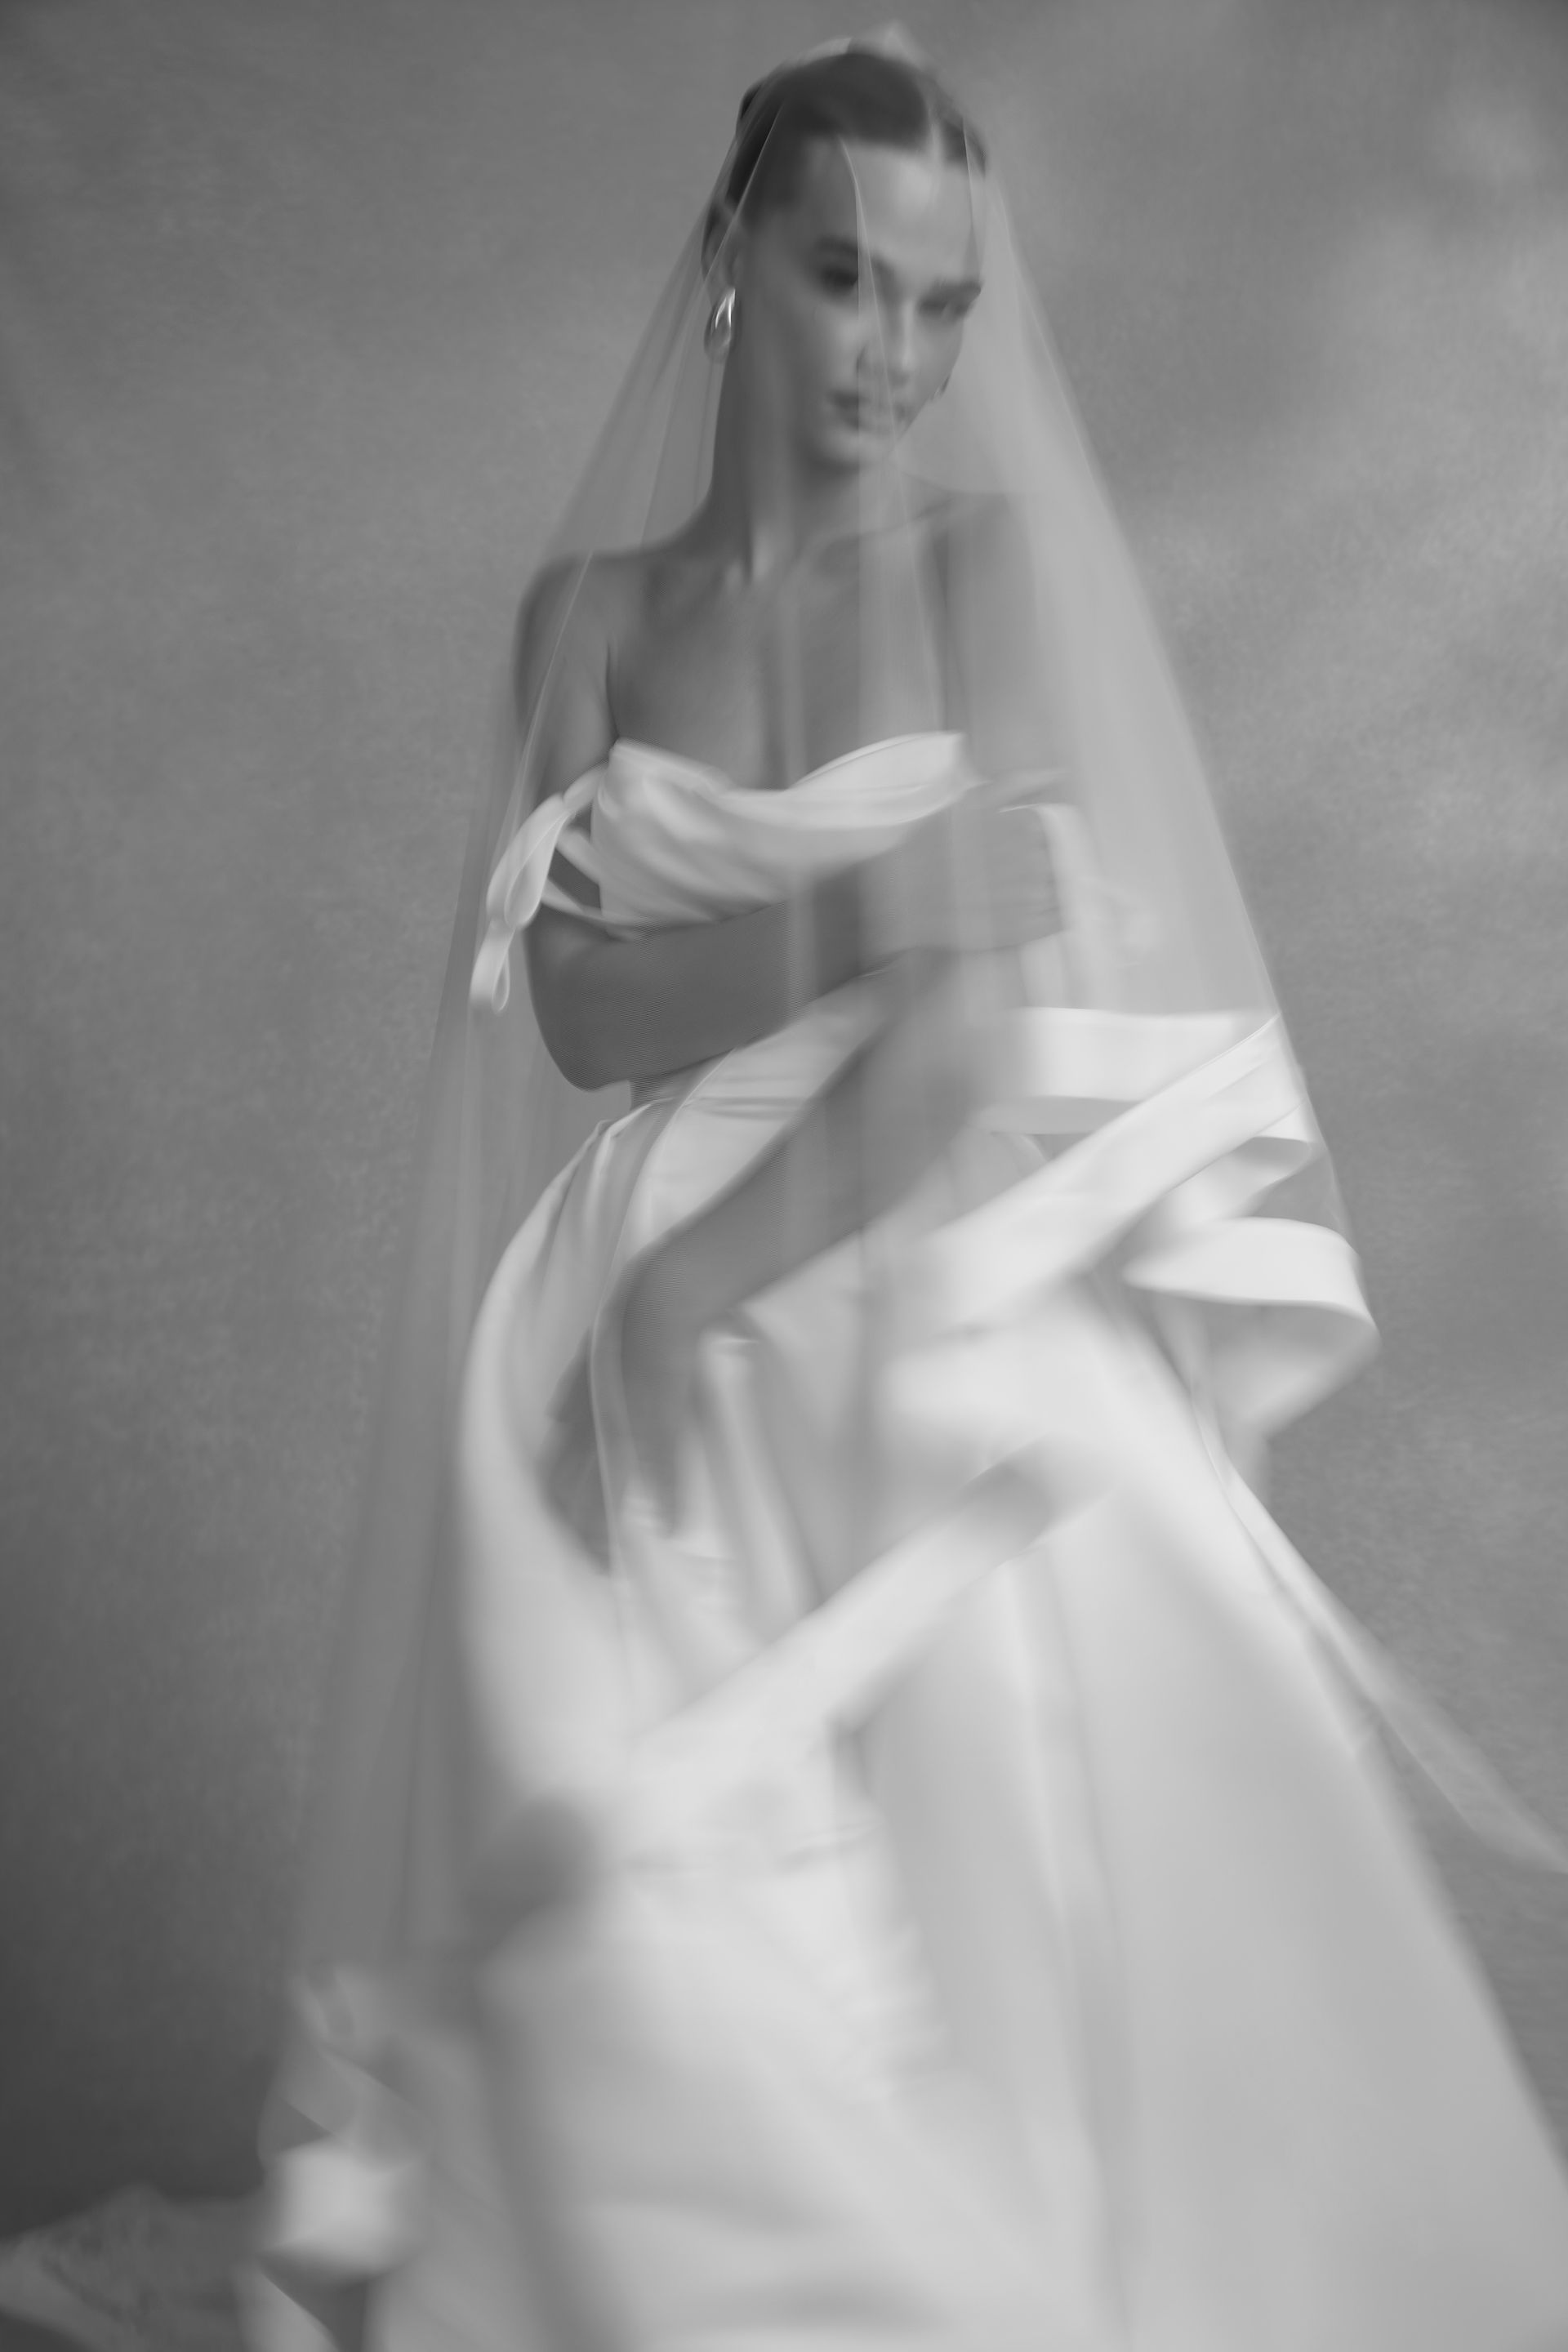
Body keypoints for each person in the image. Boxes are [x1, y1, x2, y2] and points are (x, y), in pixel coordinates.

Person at [246, 38, 1568, 2352]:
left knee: (1000, 1841)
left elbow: (975, 1022)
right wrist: (872, 906)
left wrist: (695, 1301)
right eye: (847, 279)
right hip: (629, 1255)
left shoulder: (984, 573)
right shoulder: (587, 618)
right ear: (731, 263)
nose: (897, 350)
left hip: (914, 1250)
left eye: (944, 305)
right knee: (633, 1857)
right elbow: (587, 1017)